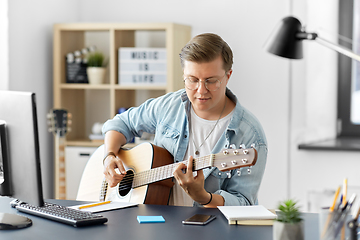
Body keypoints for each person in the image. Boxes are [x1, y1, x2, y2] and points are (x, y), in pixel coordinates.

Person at [102, 33, 267, 207]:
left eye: (211, 81)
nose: (201, 90)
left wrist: (204, 197)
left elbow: (244, 202)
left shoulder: (250, 134)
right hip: (158, 222)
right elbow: (120, 123)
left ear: (228, 76)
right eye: (192, 80)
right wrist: (109, 156)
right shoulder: (169, 105)